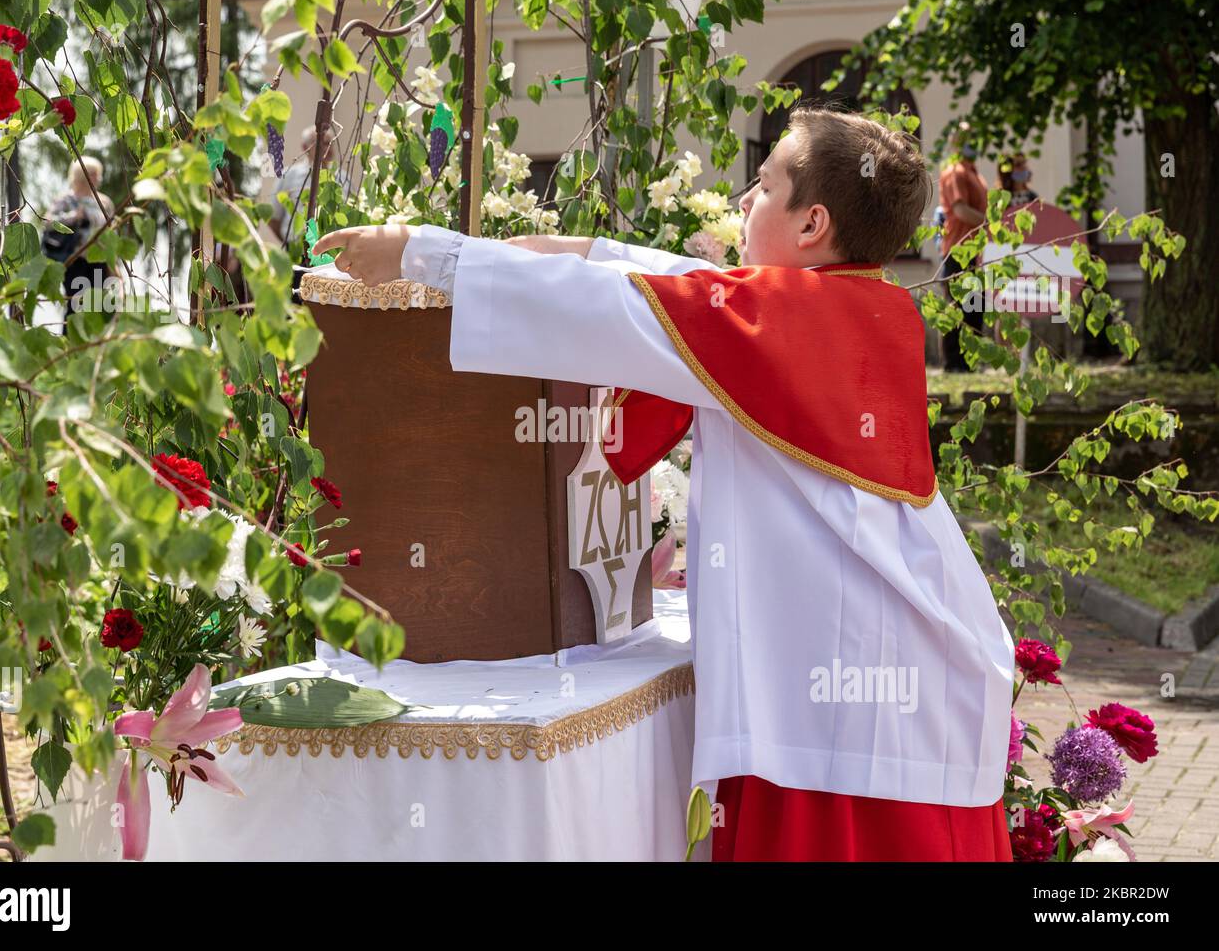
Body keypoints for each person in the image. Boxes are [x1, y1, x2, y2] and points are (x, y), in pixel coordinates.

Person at [313, 108, 1016, 862]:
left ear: (811, 223)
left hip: (841, 702)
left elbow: (625, 308)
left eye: (764, 183)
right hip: (896, 672)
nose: (744, 199)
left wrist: (424, 253)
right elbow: (685, 285)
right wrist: (572, 249)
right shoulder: (858, 303)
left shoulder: (770, 321)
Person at [937, 122, 989, 371]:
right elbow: (960, 210)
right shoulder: (955, 172)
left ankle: (970, 361)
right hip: (958, 249)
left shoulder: (973, 172)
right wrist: (993, 223)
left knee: (976, 306)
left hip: (976, 251)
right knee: (957, 307)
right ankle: (953, 364)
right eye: (966, 138)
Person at [42, 156, 115, 310]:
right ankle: (70, 333)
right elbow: (48, 223)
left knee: (98, 306)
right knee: (76, 305)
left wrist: (114, 265)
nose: (97, 178)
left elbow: (112, 231)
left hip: (99, 260)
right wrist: (74, 217)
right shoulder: (66, 200)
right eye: (93, 174)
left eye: (97, 174)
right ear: (82, 176)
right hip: (75, 260)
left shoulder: (104, 202)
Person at [268, 124, 349, 250]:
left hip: (332, 252)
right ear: (305, 147)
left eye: (328, 143)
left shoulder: (343, 179)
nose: (325, 148)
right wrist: (290, 243)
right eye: (319, 143)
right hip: (297, 251)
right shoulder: (289, 175)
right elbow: (273, 218)